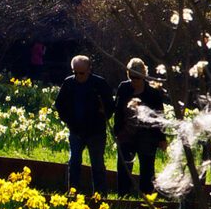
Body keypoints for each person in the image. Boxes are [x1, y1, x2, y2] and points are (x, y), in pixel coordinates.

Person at [55, 55, 114, 195]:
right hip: (76, 131)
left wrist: (103, 114)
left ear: (89, 70)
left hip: (96, 132)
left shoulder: (99, 84)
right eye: (75, 72)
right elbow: (59, 104)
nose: (78, 76)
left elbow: (111, 106)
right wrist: (68, 120)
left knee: (97, 164)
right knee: (74, 162)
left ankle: (100, 196)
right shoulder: (69, 83)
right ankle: (73, 192)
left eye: (81, 73)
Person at [114, 58, 167, 196]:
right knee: (124, 167)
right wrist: (117, 131)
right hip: (126, 134)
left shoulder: (153, 93)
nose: (134, 80)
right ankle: (123, 197)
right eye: (131, 77)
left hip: (147, 136)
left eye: (137, 77)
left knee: (147, 169)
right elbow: (118, 111)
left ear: (143, 75)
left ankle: (147, 197)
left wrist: (161, 138)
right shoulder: (123, 88)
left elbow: (159, 117)